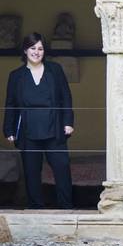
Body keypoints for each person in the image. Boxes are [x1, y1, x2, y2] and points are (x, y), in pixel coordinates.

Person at [3, 33, 74, 209]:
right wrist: (9, 130)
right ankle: (36, 207)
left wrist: (68, 122)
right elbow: (10, 104)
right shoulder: (16, 76)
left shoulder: (55, 70)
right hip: (28, 129)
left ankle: (66, 207)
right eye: (33, 48)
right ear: (25, 50)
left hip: (55, 127)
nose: (37, 52)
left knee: (62, 168)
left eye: (40, 48)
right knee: (31, 172)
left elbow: (66, 97)